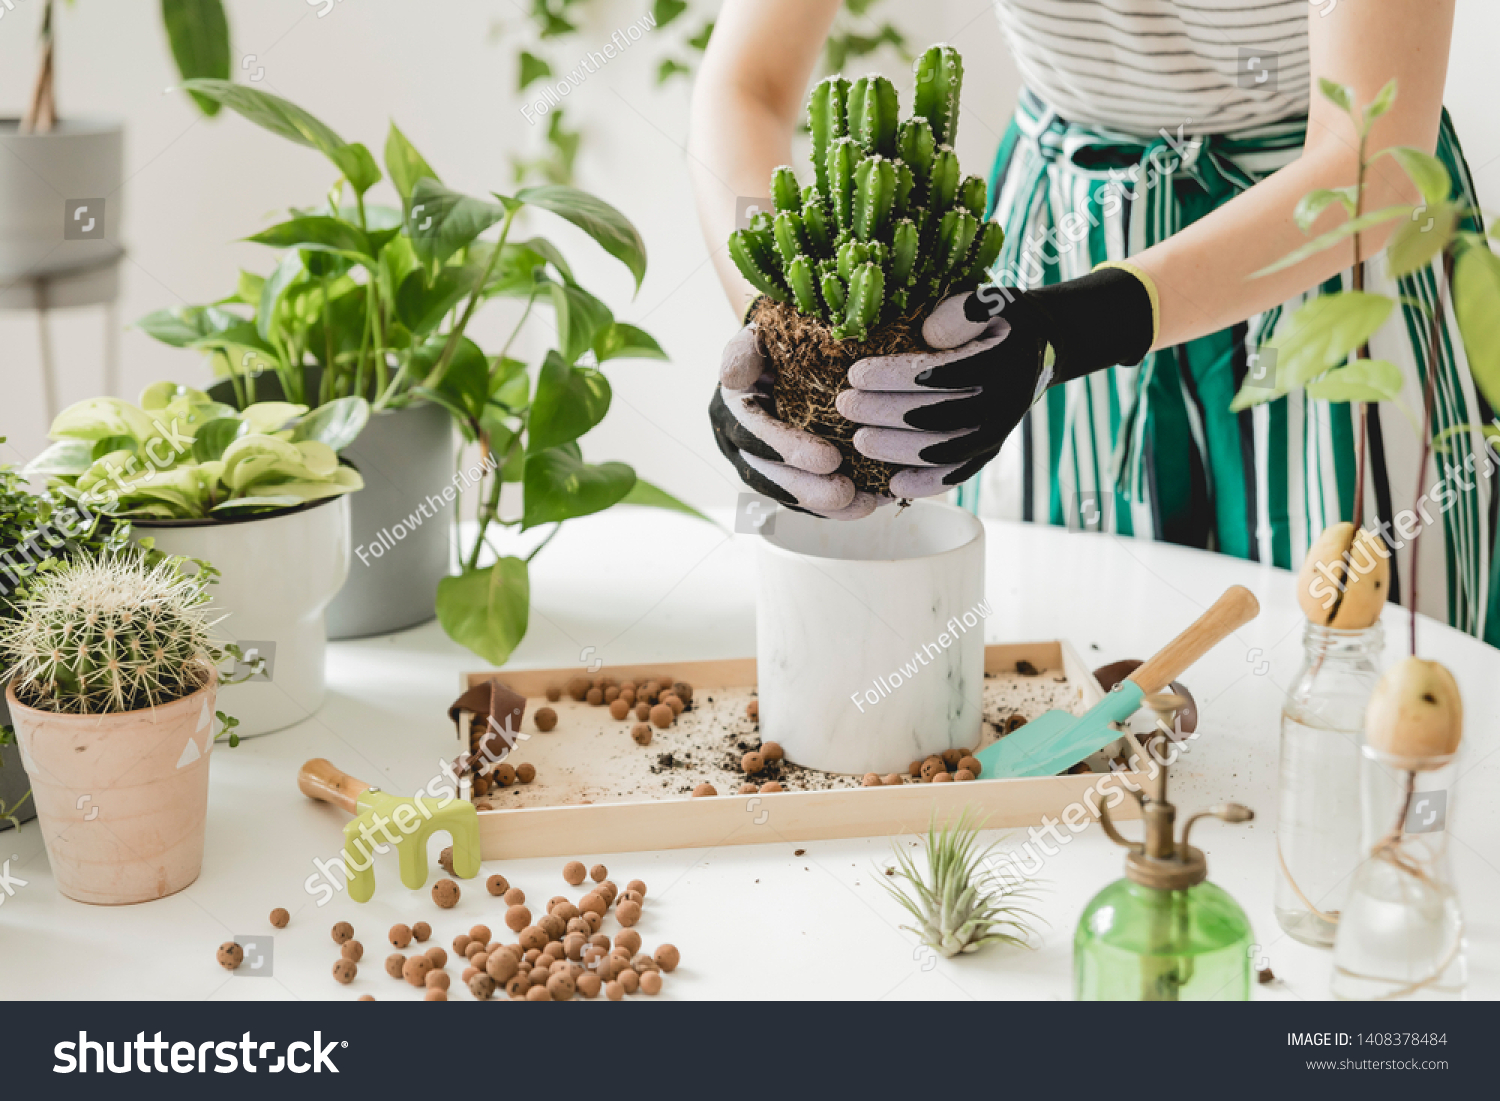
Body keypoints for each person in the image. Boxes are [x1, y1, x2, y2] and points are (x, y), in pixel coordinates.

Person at [689, 0, 1499, 646]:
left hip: (1325, 244)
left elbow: (1374, 161)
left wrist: (1071, 331)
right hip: (1066, 233)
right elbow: (746, 83)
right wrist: (776, 323)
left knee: (1352, 677)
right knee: (1071, 665)